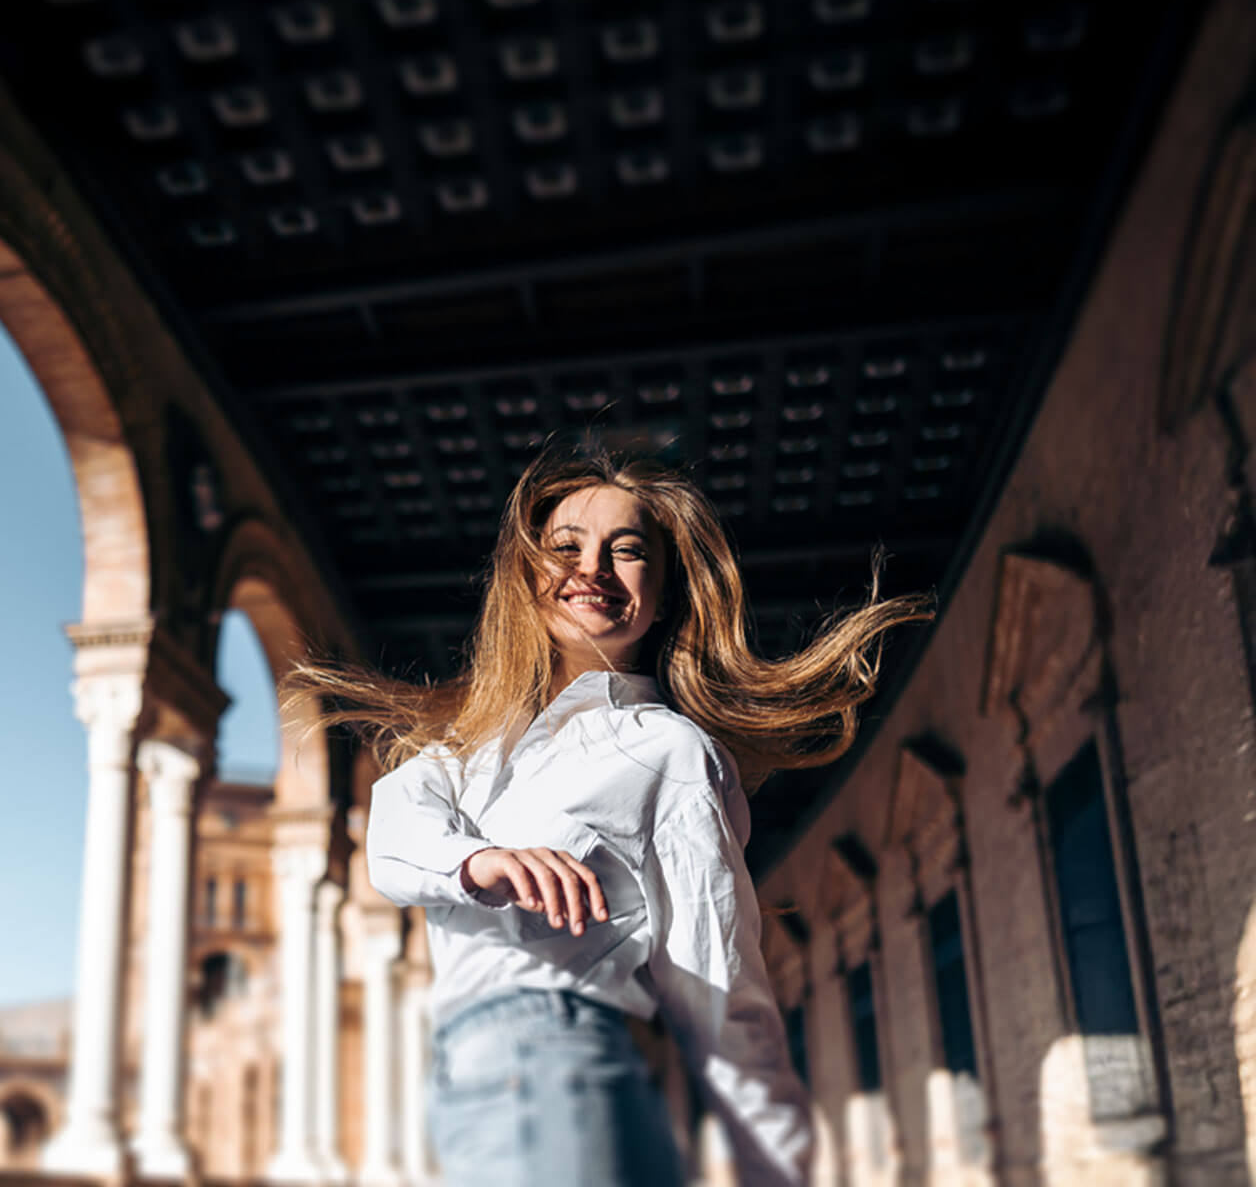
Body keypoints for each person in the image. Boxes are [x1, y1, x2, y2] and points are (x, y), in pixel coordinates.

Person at [290, 442, 929, 1187]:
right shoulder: (471, 746)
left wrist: (775, 1168)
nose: (591, 568)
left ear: (664, 594)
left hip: (558, 1061)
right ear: (527, 575)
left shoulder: (669, 750)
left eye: (627, 552)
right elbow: (393, 837)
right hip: (477, 1082)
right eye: (565, 547)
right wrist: (478, 862)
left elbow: (716, 983)